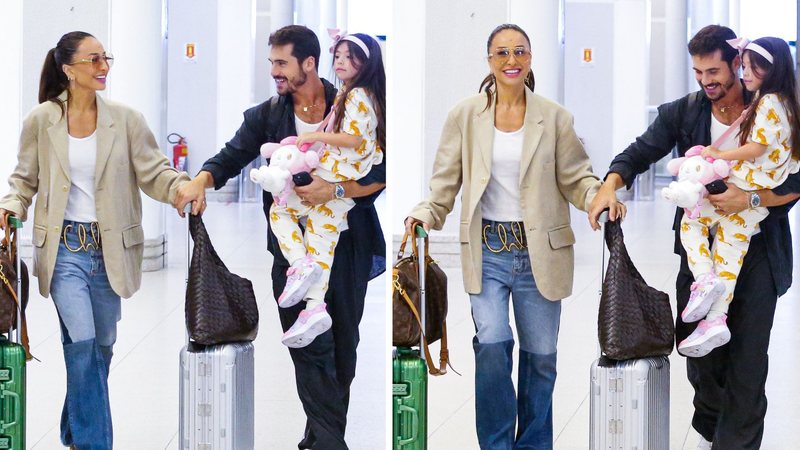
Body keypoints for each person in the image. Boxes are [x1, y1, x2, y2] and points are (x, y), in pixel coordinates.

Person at [588, 25, 800, 450]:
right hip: (701, 256)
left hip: (757, 249)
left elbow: (797, 181)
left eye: (715, 70)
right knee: (701, 357)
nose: (707, 81)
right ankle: (710, 429)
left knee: (748, 357)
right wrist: (610, 186)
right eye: (699, 72)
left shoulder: (772, 109)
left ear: (738, 64)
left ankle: (734, 443)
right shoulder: (684, 112)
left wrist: (751, 197)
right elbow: (639, 152)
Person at [174, 25, 385, 450]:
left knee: (343, 346)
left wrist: (335, 190)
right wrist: (200, 181)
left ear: (308, 62)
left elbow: (379, 175)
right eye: (272, 62)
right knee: (308, 345)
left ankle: (319, 438)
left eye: (281, 62)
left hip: (346, 247)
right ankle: (328, 443)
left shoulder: (352, 102)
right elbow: (232, 155)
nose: (274, 71)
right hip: (292, 257)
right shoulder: (267, 115)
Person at [405, 23, 614, 450]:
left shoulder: (555, 118)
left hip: (540, 253)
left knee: (540, 360)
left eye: (520, 52)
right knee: (493, 349)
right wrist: (426, 211)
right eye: (502, 53)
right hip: (488, 251)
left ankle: (535, 445)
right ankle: (497, 445)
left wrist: (598, 197)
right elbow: (445, 183)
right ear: (490, 62)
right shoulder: (465, 116)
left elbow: (577, 178)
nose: (511, 61)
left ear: (531, 58)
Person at [0, 31, 191, 450]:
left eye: (106, 58)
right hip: (64, 248)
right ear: (68, 69)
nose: (103, 67)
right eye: (93, 60)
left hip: (109, 252)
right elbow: (24, 178)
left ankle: (73, 423)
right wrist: (12, 205)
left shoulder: (125, 119)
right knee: (83, 343)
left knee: (101, 347)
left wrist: (180, 188)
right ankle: (93, 443)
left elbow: (154, 171)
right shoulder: (42, 120)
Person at [673, 36, 800, 358]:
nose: (745, 73)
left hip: (744, 191)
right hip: (754, 203)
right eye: (743, 66)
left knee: (692, 221)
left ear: (770, 68)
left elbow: (756, 148)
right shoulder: (788, 105)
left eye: (750, 67)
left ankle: (703, 279)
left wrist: (722, 154)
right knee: (728, 258)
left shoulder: (769, 102)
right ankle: (715, 319)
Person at [268, 32, 385, 348]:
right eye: (339, 57)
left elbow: (354, 139)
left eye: (350, 57)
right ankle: (314, 307)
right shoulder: (352, 93)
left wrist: (312, 140)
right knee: (321, 243)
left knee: (280, 209)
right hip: (341, 176)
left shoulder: (358, 95)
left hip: (339, 174)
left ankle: (299, 265)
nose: (342, 62)